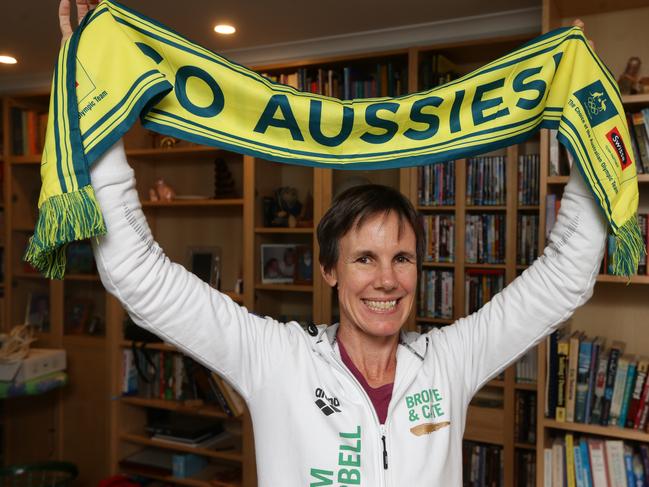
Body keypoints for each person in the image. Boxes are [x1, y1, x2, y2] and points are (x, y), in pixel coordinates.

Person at [60, 2, 606, 485]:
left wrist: (588, 120)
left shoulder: (449, 362)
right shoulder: (276, 360)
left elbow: (564, 277)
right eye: (364, 258)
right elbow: (137, 274)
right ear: (329, 270)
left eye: (403, 258)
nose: (387, 280)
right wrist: (97, 96)